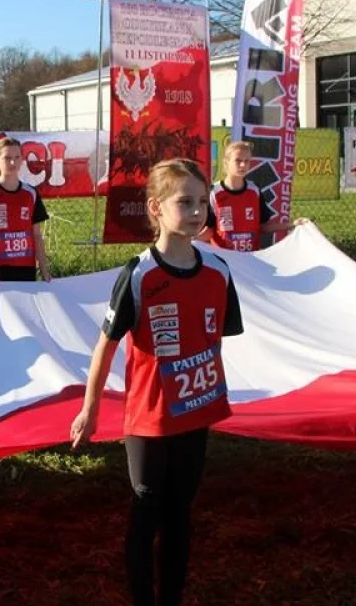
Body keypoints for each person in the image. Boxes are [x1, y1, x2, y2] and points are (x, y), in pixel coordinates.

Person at [71, 158, 244, 606]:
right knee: (147, 510)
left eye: (202, 201)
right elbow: (105, 347)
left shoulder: (220, 273)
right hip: (149, 419)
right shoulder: (138, 275)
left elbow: (213, 340)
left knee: (180, 513)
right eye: (184, 201)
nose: (196, 211)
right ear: (156, 207)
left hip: (195, 414)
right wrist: (89, 410)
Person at [0, 137, 51, 283]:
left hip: (26, 268)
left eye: (17, 157)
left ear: (22, 160)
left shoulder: (31, 194)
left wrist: (44, 269)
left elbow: (37, 236)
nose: (13, 162)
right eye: (7, 158)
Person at [200, 141, 298, 251]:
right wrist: (191, 239)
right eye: (238, 160)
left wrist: (292, 224)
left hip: (249, 259)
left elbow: (262, 227)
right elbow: (210, 230)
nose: (243, 165)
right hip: (224, 259)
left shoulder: (254, 191)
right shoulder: (214, 193)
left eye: (246, 161)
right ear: (226, 162)